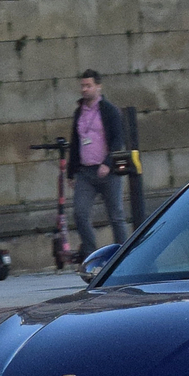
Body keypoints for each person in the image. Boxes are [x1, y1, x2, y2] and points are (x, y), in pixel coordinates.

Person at [64, 69, 129, 259]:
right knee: (80, 212)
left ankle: (122, 255)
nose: (84, 89)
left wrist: (108, 163)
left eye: (88, 86)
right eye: (82, 86)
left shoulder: (109, 110)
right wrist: (71, 172)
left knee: (116, 215)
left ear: (98, 87)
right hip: (86, 172)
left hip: (107, 171)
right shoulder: (79, 112)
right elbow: (75, 141)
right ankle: (91, 253)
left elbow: (118, 139)